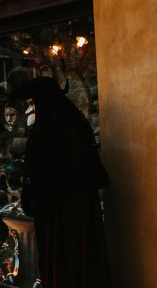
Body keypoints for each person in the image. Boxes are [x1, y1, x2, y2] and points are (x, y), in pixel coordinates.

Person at [14, 76, 112, 288]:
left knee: (67, 259)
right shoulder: (70, 124)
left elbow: (47, 172)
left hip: (62, 212)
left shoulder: (53, 130)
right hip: (69, 209)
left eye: (34, 104)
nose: (32, 110)